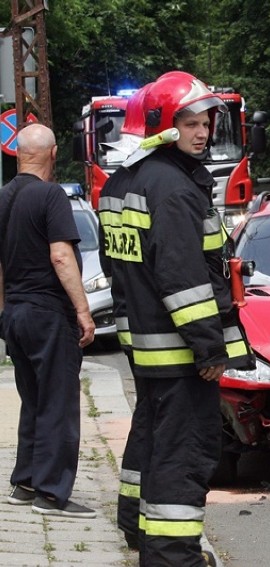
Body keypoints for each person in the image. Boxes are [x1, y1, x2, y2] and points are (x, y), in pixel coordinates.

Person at [109, 71, 255, 566]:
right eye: (189, 123)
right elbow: (184, 279)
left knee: (155, 445)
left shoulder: (135, 179)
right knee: (183, 455)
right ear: (163, 128)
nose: (201, 132)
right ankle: (174, 556)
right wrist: (209, 349)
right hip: (180, 353)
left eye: (205, 122)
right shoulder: (171, 187)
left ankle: (149, 539)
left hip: (151, 346)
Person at [0, 123, 97, 518]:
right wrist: (83, 310)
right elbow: (61, 256)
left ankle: (25, 482)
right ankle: (52, 493)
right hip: (47, 314)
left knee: (33, 400)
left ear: (17, 154)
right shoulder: (51, 195)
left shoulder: (3, 198)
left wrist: (4, 312)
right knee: (58, 401)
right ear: (54, 154)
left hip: (16, 314)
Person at [96, 82, 150, 549]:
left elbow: (113, 266)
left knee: (147, 417)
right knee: (160, 422)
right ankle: (141, 520)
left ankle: (131, 512)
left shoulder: (111, 190)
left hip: (130, 322)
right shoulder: (153, 188)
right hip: (156, 327)